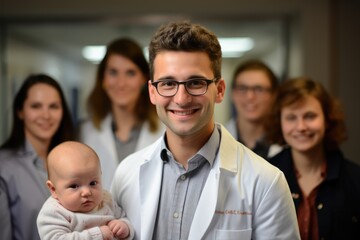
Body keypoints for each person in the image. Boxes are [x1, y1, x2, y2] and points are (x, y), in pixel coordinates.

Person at [110, 20, 300, 240]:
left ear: (219, 90)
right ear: (152, 92)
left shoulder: (266, 182)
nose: (181, 99)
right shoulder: (127, 173)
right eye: (168, 83)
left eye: (196, 82)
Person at [267, 77, 360, 239]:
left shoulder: (355, 179)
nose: (301, 127)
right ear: (279, 122)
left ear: (327, 119)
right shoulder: (265, 175)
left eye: (310, 116)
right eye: (291, 117)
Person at [80, 37, 165, 190]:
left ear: (144, 79)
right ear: (103, 78)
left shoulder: (165, 131)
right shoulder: (84, 132)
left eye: (131, 73)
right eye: (113, 72)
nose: (121, 83)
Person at [0, 73, 75, 240]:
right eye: (36, 106)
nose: (46, 115)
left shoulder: (73, 161)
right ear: (20, 111)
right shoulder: (3, 167)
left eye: (54, 106)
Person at [37, 141, 134, 240]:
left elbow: (124, 217)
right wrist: (97, 235)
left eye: (93, 183)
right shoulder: (54, 212)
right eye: (74, 186)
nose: (87, 192)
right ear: (53, 189)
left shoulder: (106, 200)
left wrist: (124, 227)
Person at [226, 59, 281, 159]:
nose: (250, 96)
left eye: (259, 89)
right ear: (232, 94)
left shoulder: (286, 144)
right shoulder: (217, 141)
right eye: (242, 88)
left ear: (274, 95)